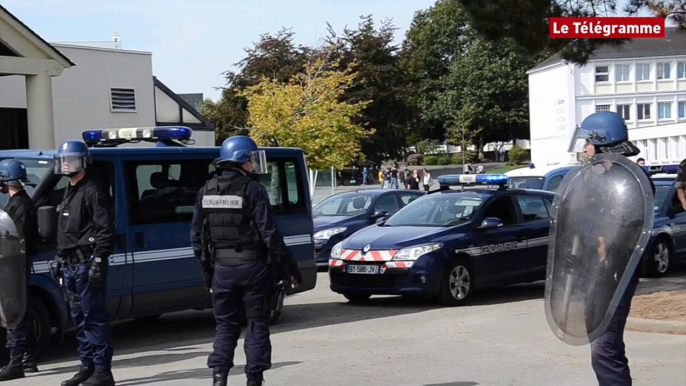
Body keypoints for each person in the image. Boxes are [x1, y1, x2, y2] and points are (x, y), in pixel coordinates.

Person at [191, 136, 302, 386]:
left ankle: (219, 377)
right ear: (242, 159)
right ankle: (254, 378)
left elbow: (196, 236)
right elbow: (270, 234)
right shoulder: (253, 189)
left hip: (222, 269)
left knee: (225, 326)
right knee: (256, 324)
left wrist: (207, 274)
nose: (254, 164)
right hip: (253, 268)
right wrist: (289, 268)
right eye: (251, 158)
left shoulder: (205, 190)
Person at [576, 112, 655, 386]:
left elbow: (630, 228)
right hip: (595, 274)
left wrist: (605, 249)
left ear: (600, 143)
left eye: (587, 142)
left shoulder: (630, 182)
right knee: (606, 346)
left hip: (614, 274)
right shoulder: (599, 179)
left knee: (604, 347)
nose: (584, 148)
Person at [49, 140, 116, 386]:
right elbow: (67, 230)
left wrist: (98, 260)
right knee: (78, 316)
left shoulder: (92, 190)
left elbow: (105, 231)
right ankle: (87, 366)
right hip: (70, 265)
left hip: (87, 264)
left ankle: (102, 371)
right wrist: (59, 256)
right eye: (64, 160)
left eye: (72, 160)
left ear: (83, 162)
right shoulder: (69, 190)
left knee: (93, 317)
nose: (67, 164)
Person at [0, 159, 39, 381]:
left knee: (14, 311)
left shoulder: (21, 205)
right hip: (13, 264)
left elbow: (16, 238)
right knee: (20, 310)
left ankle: (16, 362)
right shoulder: (18, 204)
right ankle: (28, 359)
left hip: (14, 266)